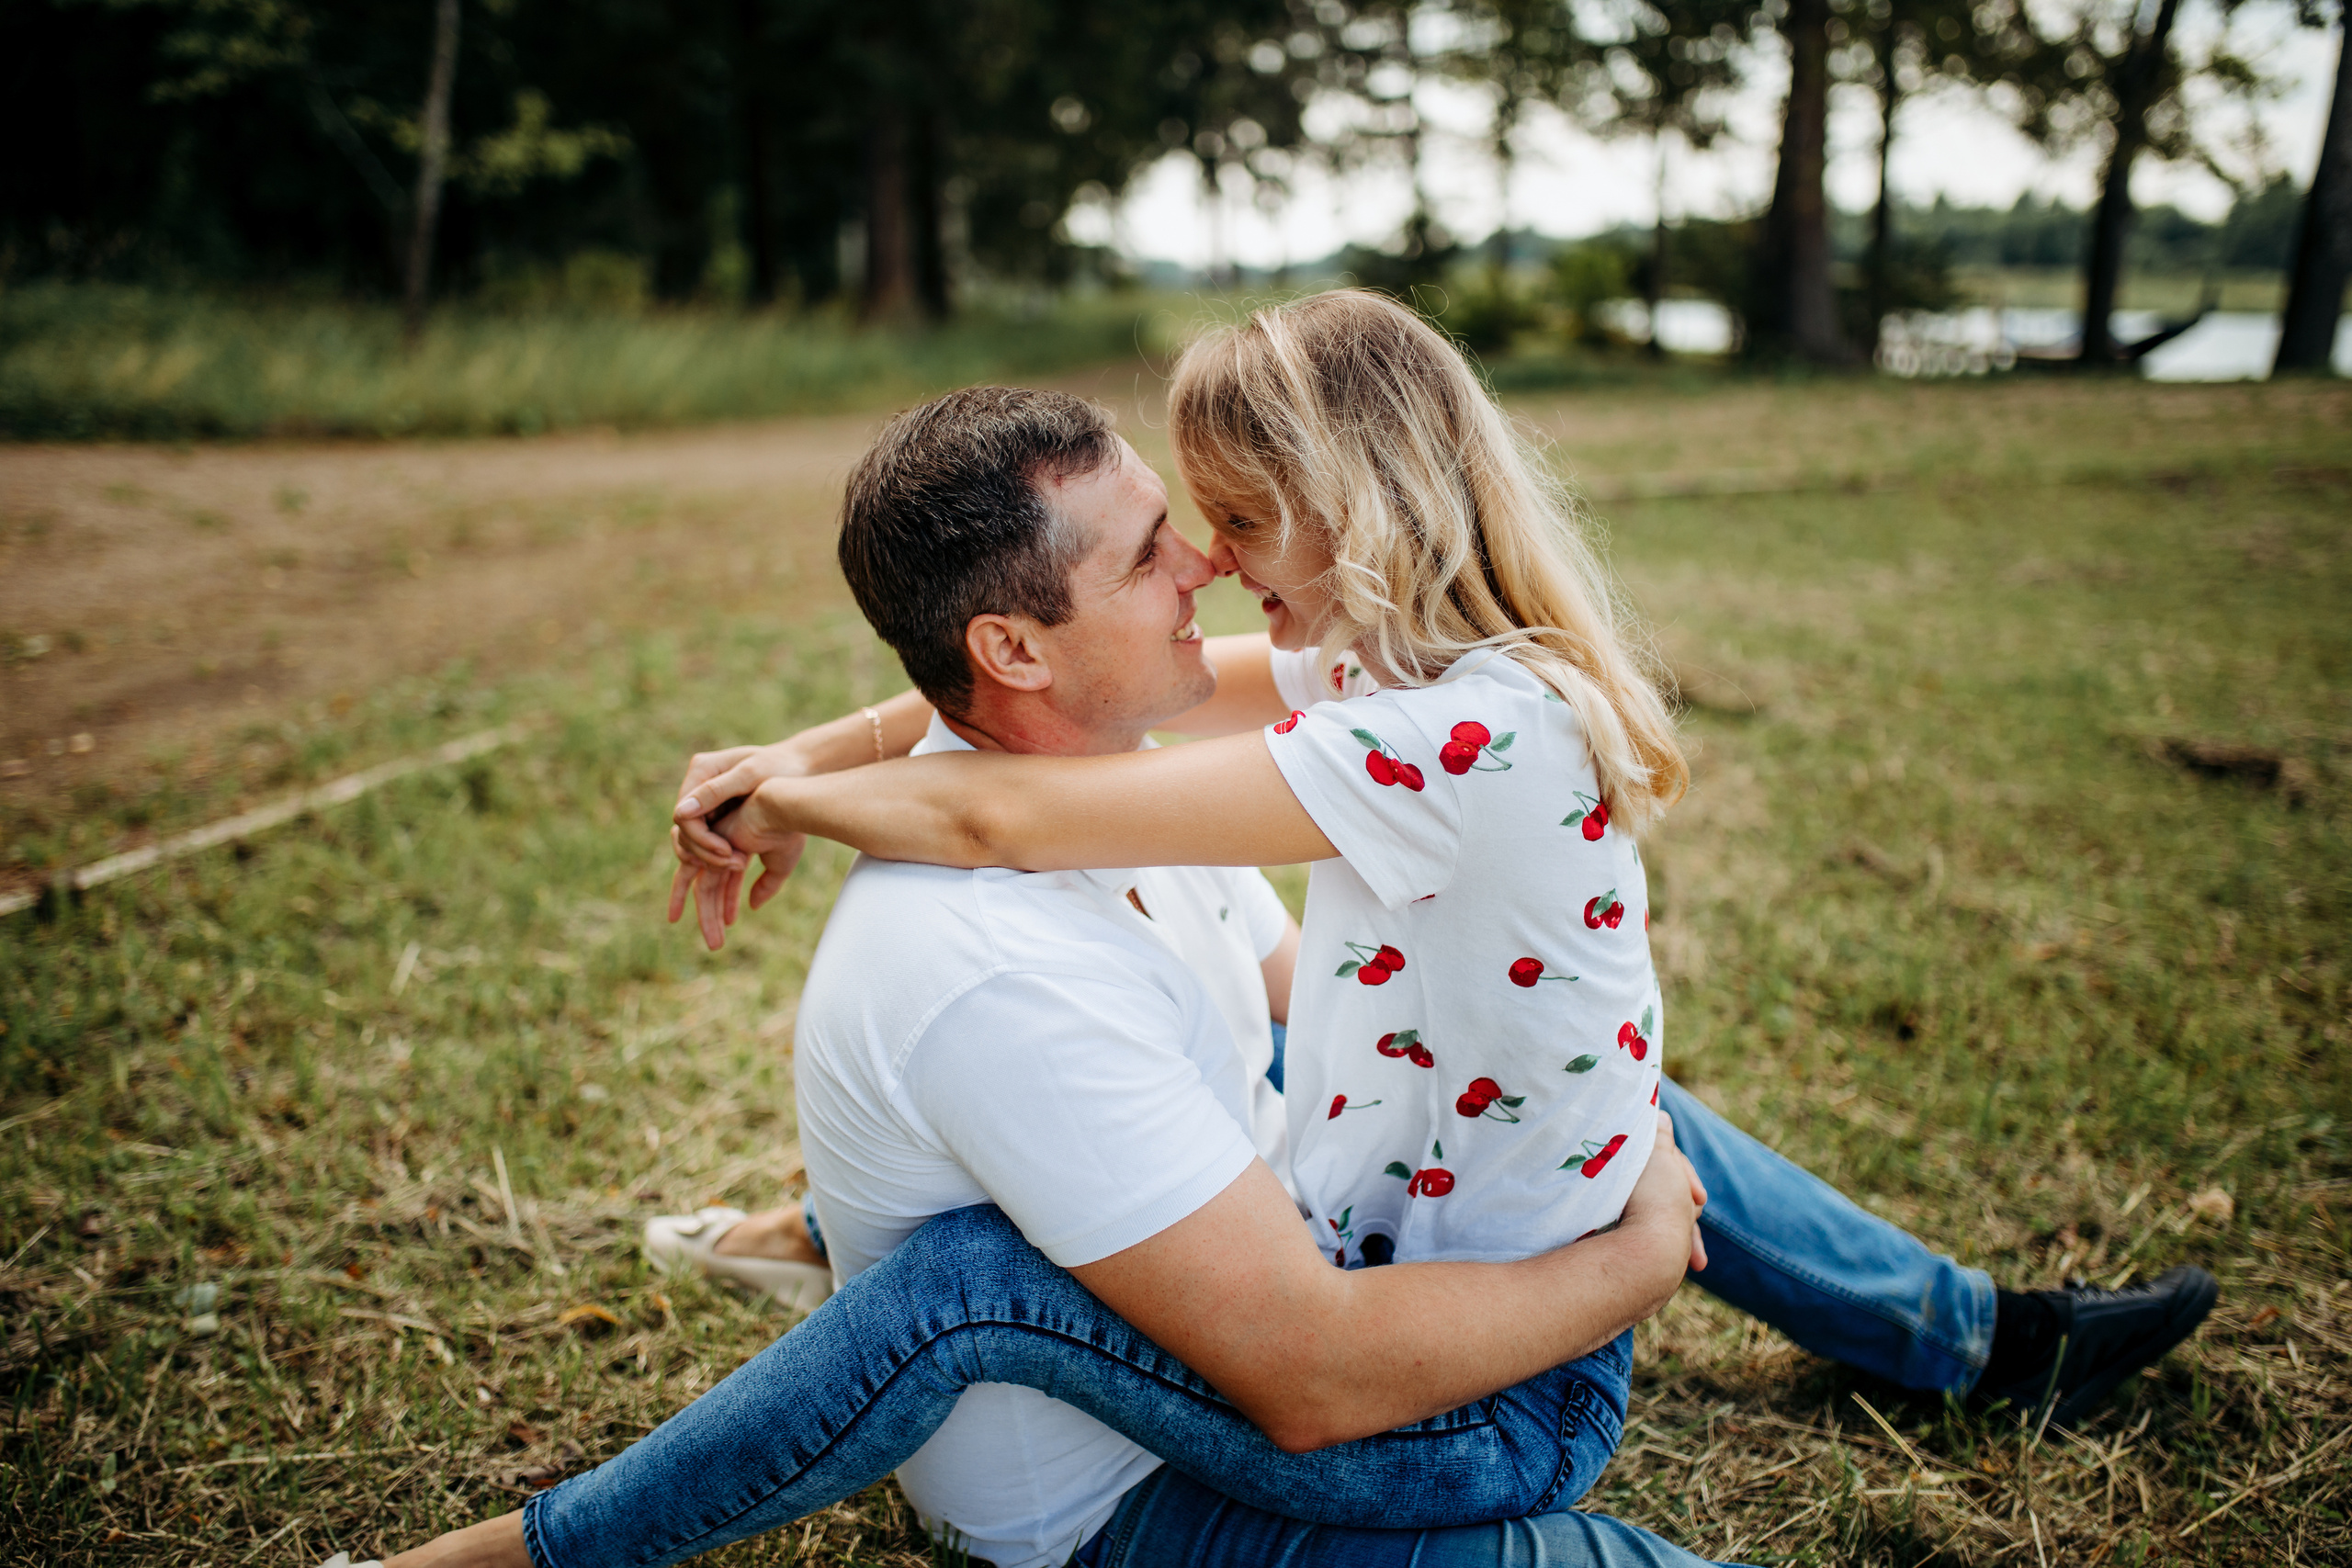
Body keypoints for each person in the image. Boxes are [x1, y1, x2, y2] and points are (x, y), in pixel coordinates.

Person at [358, 299, 2214, 1568]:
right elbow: (1006, 811)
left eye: (1227, 522)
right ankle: (1953, 1337)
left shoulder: (1407, 721)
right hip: (1338, 1404)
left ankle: (1964, 1335)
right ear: (1012, 649)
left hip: (1439, 1331)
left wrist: (794, 777)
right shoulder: (1394, 689)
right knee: (1556, 1127)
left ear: (1358, 511)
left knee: (1618, 1098)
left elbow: (1026, 803)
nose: (1215, 574)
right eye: (1169, 542)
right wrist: (808, 765)